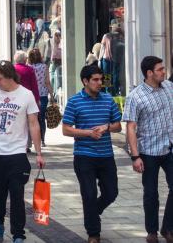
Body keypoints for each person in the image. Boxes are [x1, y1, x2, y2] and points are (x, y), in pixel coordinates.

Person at [0, 60, 44, 243]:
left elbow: (34, 124)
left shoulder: (26, 95)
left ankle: (18, 233)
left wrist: (39, 153)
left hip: (17, 154)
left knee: (17, 194)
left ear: (10, 76)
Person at [62, 64, 122, 243]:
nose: (99, 83)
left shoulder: (108, 99)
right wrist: (88, 133)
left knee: (111, 193)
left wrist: (106, 127)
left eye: (100, 79)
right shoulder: (74, 101)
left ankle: (92, 212)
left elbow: (118, 126)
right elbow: (66, 129)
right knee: (88, 194)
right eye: (95, 80)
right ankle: (93, 233)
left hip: (106, 155)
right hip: (84, 155)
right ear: (85, 81)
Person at [123, 56, 173, 243]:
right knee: (151, 193)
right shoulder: (135, 96)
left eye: (163, 68)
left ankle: (167, 227)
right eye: (160, 69)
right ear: (149, 73)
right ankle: (151, 231)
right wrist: (135, 156)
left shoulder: (168, 87)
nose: (164, 72)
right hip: (148, 152)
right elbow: (130, 127)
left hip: (169, 147)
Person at [28, 48, 54, 146]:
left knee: (31, 118)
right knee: (41, 118)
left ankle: (31, 140)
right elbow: (47, 82)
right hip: (42, 95)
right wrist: (51, 95)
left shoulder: (28, 67)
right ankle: (42, 140)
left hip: (31, 95)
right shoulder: (44, 67)